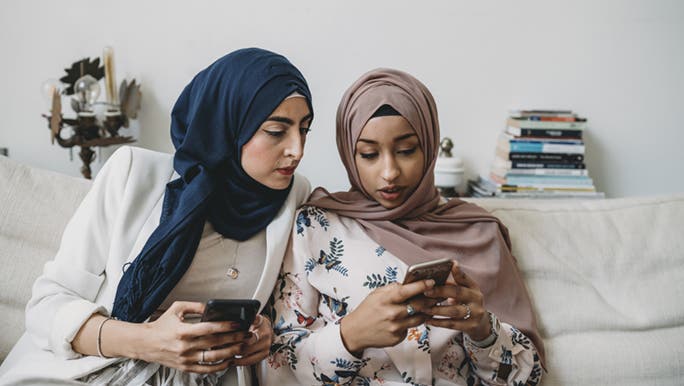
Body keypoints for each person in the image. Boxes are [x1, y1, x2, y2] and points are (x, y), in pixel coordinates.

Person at [0, 48, 313, 386]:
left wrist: (266, 332)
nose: (297, 149)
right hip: (102, 368)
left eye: (305, 129)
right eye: (276, 131)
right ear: (228, 123)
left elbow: (288, 307)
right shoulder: (132, 173)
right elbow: (47, 305)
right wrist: (150, 342)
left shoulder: (294, 196)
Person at [266, 68, 545, 385]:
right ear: (349, 152)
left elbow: (525, 378)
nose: (390, 172)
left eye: (406, 150)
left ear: (429, 145)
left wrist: (482, 329)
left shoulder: (478, 232)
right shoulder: (315, 226)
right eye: (369, 154)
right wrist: (350, 336)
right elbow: (281, 363)